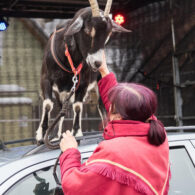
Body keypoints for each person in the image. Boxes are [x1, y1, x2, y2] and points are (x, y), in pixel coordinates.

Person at [59, 51, 170, 195]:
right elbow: (130, 111)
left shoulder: (114, 153)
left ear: (118, 117)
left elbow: (74, 187)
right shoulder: (158, 136)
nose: (109, 107)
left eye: (111, 109)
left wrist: (70, 152)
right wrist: (104, 71)